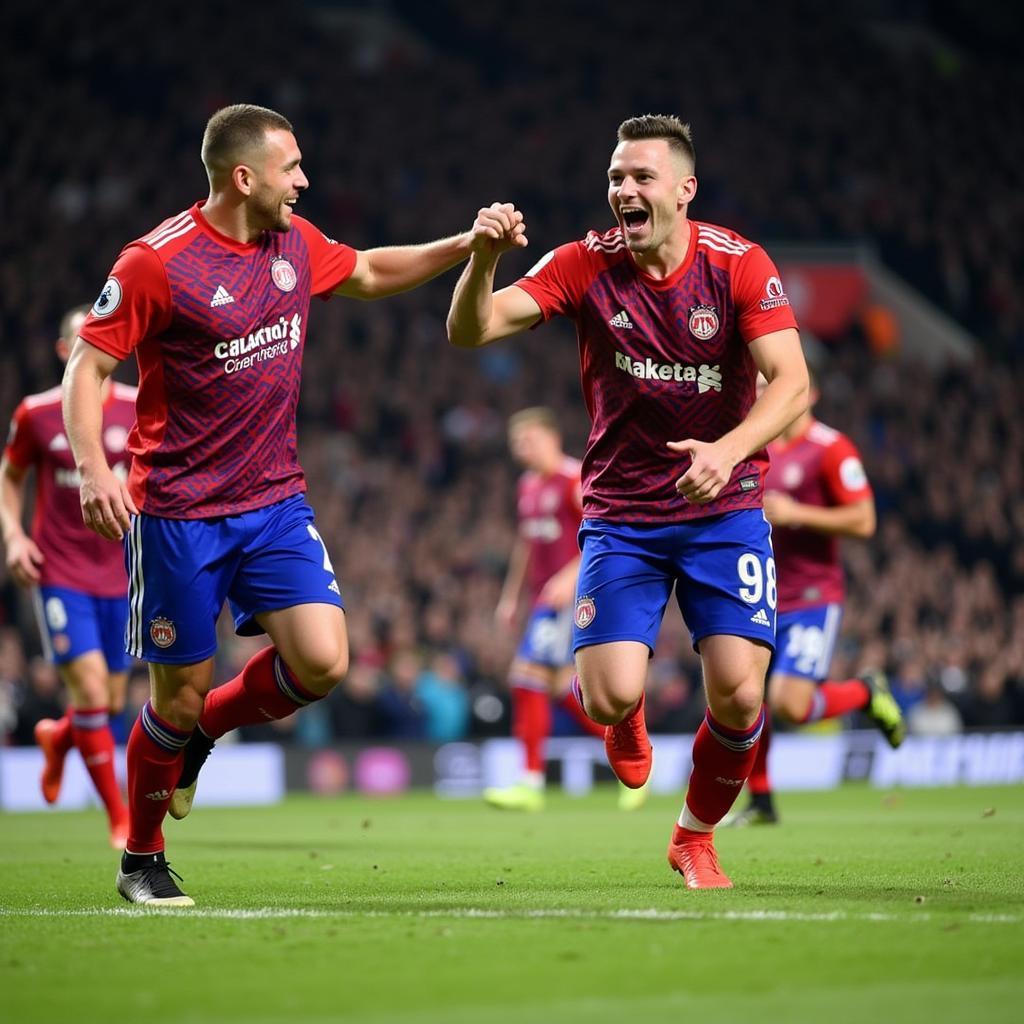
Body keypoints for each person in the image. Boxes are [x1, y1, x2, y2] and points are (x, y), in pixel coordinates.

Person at [63, 103, 515, 907]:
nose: (304, 180)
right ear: (246, 177)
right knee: (175, 694)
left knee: (324, 661)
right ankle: (142, 857)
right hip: (177, 513)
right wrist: (96, 469)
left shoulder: (294, 245)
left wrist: (464, 247)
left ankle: (206, 734)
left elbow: (371, 272)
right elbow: (88, 372)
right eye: (292, 167)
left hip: (273, 500)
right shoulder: (154, 264)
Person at [448, 114, 809, 888]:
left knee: (742, 697)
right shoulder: (583, 262)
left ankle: (694, 837)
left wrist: (728, 450)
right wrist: (481, 261)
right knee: (610, 699)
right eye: (616, 177)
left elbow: (794, 382)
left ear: (684, 190)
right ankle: (625, 712)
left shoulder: (739, 265)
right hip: (622, 517)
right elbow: (472, 330)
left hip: (726, 508)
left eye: (641, 177)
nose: (624, 190)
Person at [726, 369, 905, 827]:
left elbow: (864, 521)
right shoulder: (749, 446)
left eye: (775, 388)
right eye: (760, 388)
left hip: (811, 596)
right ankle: (762, 801)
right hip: (757, 591)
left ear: (808, 392)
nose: (765, 396)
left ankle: (864, 692)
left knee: (789, 705)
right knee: (747, 697)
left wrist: (796, 513)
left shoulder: (830, 449)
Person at [1, 304, 134, 848]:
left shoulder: (139, 405)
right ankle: (118, 817)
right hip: (60, 573)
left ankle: (58, 738)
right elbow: (9, 477)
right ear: (65, 351)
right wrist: (13, 536)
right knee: (92, 689)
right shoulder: (35, 413)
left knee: (110, 702)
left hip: (124, 574)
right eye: (81, 341)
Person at [483, 407, 646, 812]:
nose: (523, 449)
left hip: (576, 596)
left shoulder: (574, 479)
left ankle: (531, 782)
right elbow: (527, 545)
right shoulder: (528, 486)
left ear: (551, 438)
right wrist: (510, 595)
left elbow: (599, 536)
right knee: (562, 690)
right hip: (543, 597)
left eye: (530, 440)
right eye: (518, 443)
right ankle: (632, 758)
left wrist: (567, 578)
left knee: (525, 678)